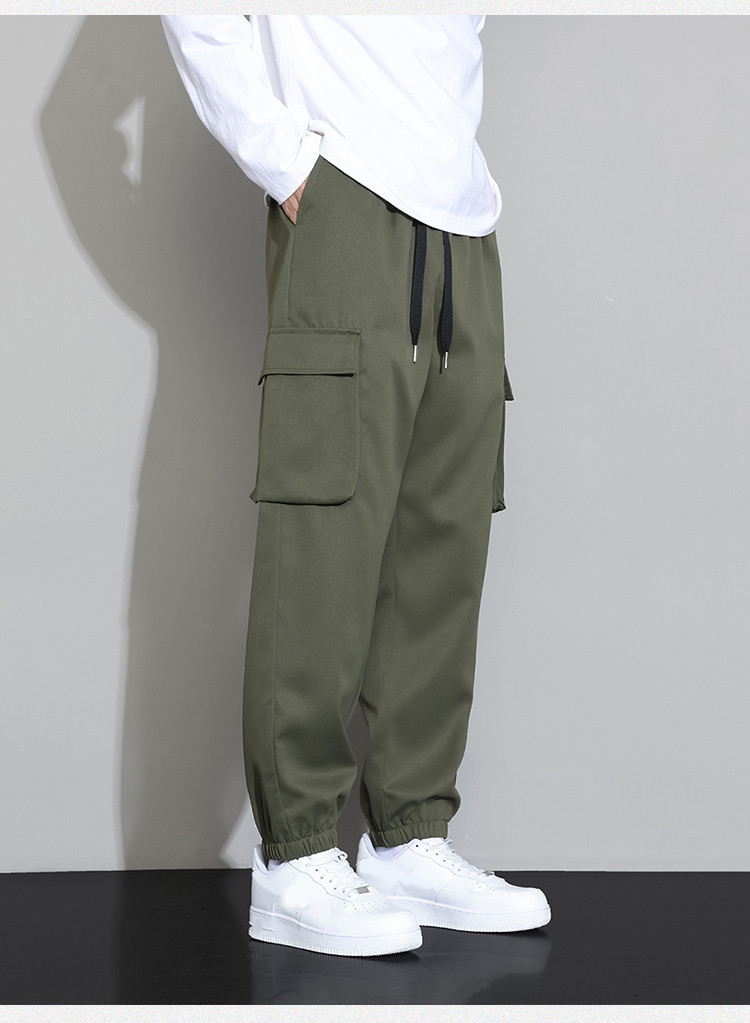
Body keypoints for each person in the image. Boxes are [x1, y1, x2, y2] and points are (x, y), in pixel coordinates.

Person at [161, 14, 551, 957]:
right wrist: (289, 165)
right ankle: (295, 856)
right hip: (348, 199)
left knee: (443, 542)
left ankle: (411, 835)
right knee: (325, 538)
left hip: (464, 217)